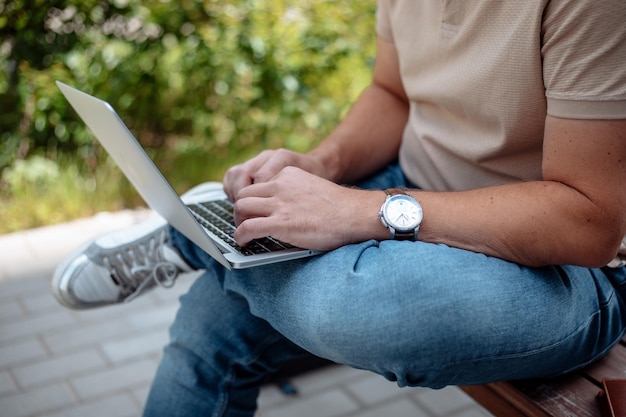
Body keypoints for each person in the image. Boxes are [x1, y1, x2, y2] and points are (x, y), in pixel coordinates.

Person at [52, 1, 626, 416]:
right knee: (213, 319)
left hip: (571, 271)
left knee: (354, 307)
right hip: (414, 186)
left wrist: (363, 211)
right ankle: (214, 238)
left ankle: (197, 240)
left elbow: (589, 222)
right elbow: (392, 92)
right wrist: (321, 167)